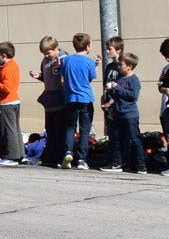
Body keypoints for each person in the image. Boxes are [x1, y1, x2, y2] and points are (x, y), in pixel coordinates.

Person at [60, 33, 98, 170]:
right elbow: (90, 78)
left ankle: (68, 152)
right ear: (87, 46)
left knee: (70, 128)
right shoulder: (89, 62)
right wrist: (95, 65)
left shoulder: (66, 60)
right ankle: (82, 159)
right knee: (84, 130)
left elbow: (63, 77)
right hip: (86, 99)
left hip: (70, 98)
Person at [31, 36, 67, 167]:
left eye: (48, 53)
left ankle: (60, 157)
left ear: (56, 48)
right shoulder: (45, 61)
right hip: (49, 99)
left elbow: (64, 77)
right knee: (50, 130)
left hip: (60, 99)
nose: (46, 55)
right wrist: (39, 76)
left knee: (59, 130)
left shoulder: (63, 58)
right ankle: (50, 157)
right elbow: (47, 78)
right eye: (44, 53)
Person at [106, 52, 144, 173]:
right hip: (118, 113)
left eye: (121, 64)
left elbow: (133, 96)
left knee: (134, 139)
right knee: (118, 140)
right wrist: (110, 92)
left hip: (130, 114)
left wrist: (117, 87)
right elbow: (117, 95)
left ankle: (141, 165)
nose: (118, 67)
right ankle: (118, 163)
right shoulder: (119, 78)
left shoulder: (134, 80)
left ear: (129, 66)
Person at [0, 42, 22, 166]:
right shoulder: (13, 65)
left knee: (7, 130)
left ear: (3, 55)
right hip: (14, 101)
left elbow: (7, 88)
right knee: (15, 129)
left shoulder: (8, 68)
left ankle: (11, 157)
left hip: (6, 102)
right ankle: (19, 154)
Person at [99, 37, 125, 171]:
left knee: (118, 135)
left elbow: (122, 87)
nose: (108, 51)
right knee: (111, 134)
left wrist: (111, 102)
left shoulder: (122, 66)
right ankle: (112, 160)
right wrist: (104, 101)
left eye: (110, 49)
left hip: (118, 105)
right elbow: (106, 85)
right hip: (108, 105)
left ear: (118, 50)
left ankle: (118, 162)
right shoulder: (109, 67)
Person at [155, 39, 169, 174]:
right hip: (167, 108)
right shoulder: (167, 69)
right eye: (167, 56)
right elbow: (161, 86)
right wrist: (166, 90)